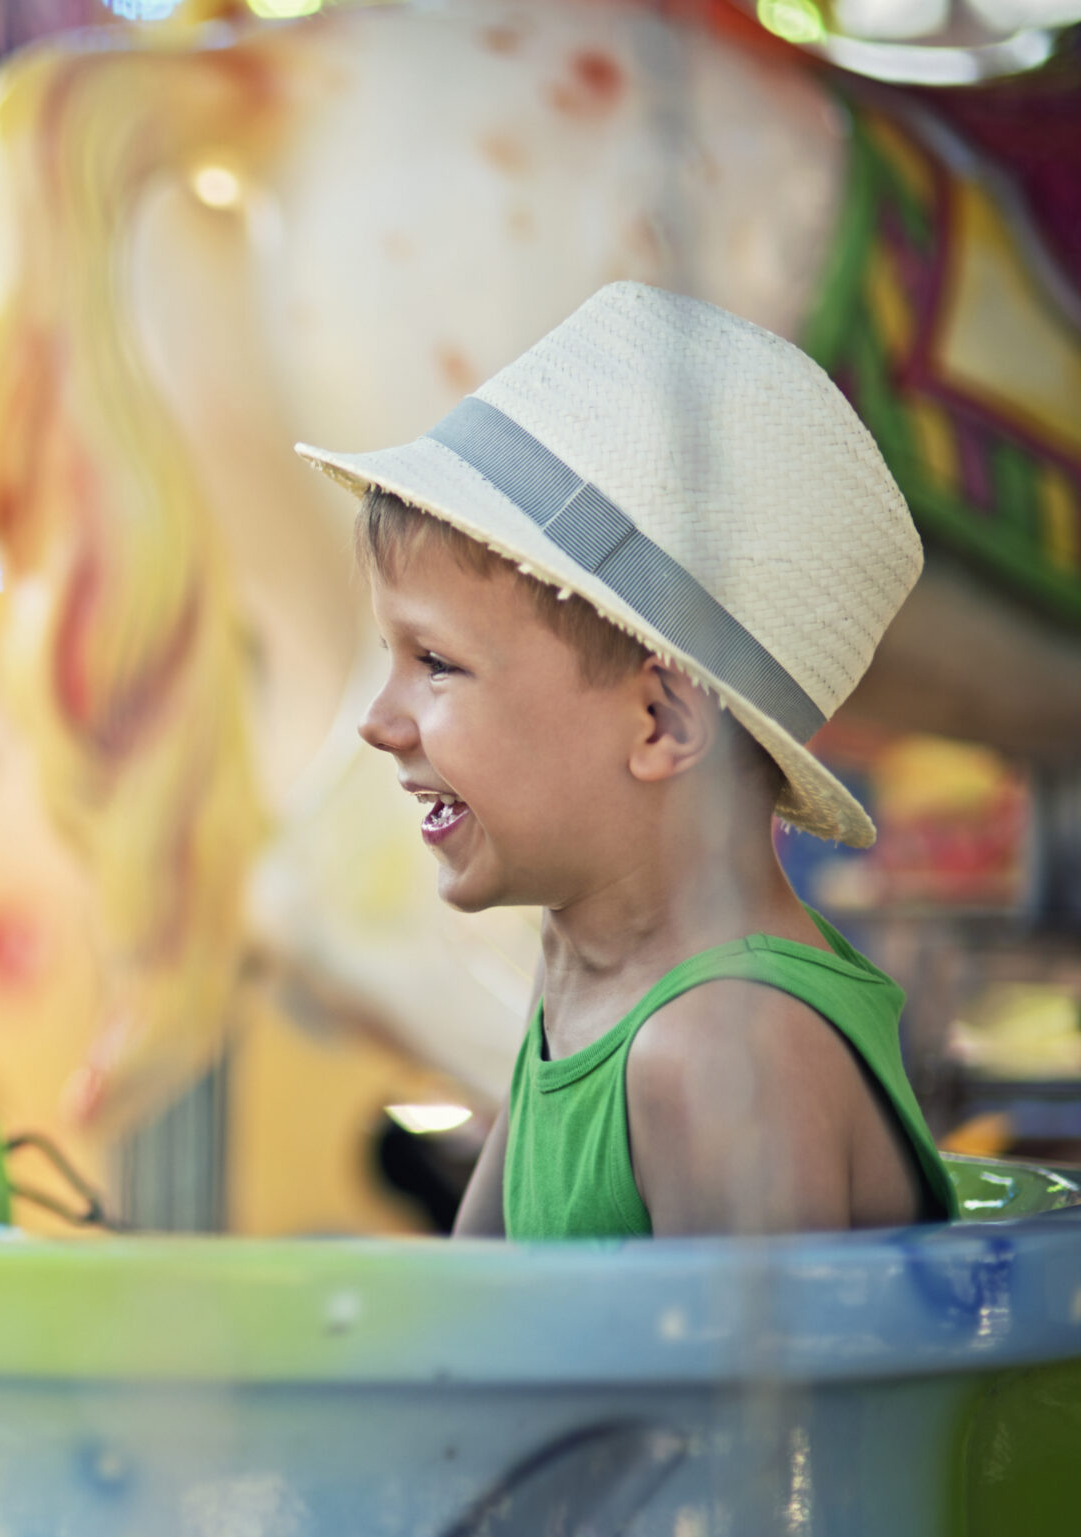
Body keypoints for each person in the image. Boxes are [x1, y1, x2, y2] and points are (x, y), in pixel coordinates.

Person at [296, 282, 956, 1239]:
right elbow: (478, 1307)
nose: (378, 721)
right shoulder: (584, 973)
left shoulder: (723, 1056)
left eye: (435, 663)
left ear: (659, 723)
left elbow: (729, 1393)